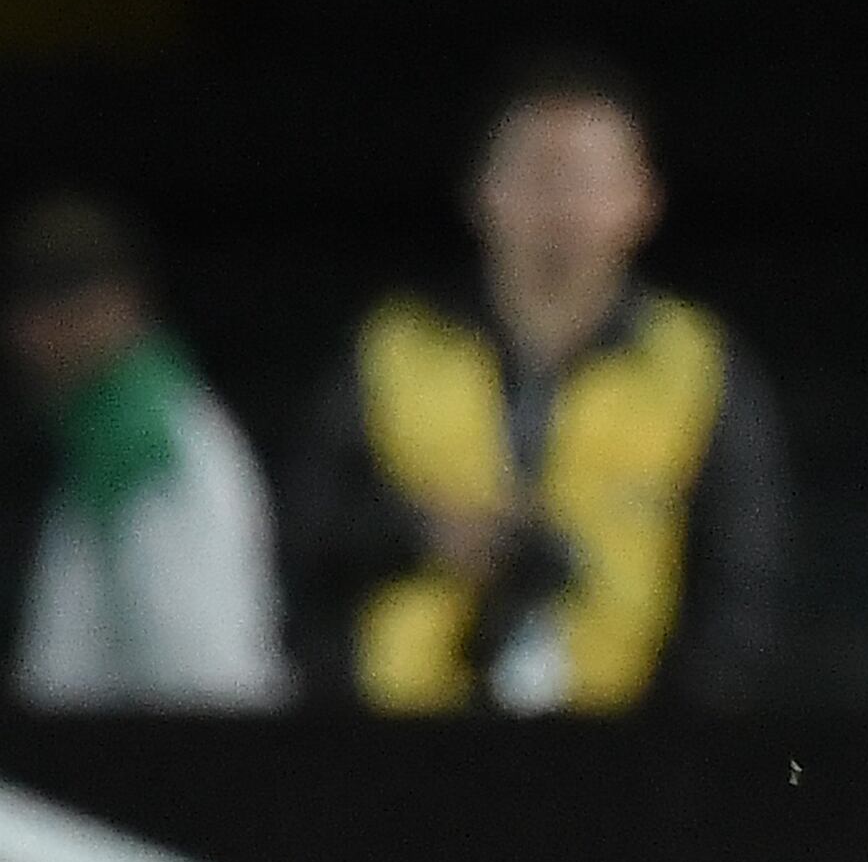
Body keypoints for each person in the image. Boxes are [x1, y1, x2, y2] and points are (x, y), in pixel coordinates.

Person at [283, 50, 788, 713]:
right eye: (537, 176)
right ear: (481, 191)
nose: (562, 207)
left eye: (587, 179)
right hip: (400, 749)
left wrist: (674, 749)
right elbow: (302, 542)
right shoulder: (393, 346)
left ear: (643, 199)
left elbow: (741, 591)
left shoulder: (697, 365)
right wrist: (417, 538)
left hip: (627, 753)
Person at [7, 194, 285, 710]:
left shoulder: (151, 441)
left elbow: (200, 675)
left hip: (181, 764)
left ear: (120, 305)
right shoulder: (96, 436)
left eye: (61, 309)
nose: (31, 338)